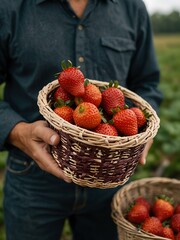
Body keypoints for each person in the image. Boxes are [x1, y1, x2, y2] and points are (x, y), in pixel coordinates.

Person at [0, 0, 162, 239]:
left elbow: (147, 84)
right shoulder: (9, 7)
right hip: (32, 176)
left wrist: (143, 129)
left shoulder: (132, 7)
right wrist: (18, 131)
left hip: (109, 176)